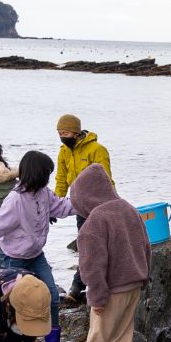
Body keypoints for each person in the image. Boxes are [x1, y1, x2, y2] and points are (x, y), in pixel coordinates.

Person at [0, 151, 78, 342]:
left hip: (36, 255)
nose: (49, 176)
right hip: (14, 259)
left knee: (51, 295)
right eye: (47, 172)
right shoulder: (15, 200)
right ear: (37, 173)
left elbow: (61, 207)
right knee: (13, 307)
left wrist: (88, 202)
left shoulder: (43, 193)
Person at [69, 164, 152, 342]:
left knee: (98, 340)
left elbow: (92, 267)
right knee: (122, 336)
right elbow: (146, 246)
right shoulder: (128, 208)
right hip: (134, 284)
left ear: (85, 196)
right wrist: (144, 277)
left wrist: (96, 298)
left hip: (111, 290)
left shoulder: (94, 222)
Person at [54, 114, 113, 308]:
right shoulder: (63, 152)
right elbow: (61, 180)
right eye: (59, 133)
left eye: (66, 132)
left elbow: (106, 179)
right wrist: (54, 206)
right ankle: (79, 285)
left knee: (98, 246)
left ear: (77, 132)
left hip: (99, 205)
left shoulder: (97, 150)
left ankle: (78, 286)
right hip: (79, 206)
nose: (63, 136)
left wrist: (111, 204)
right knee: (86, 245)